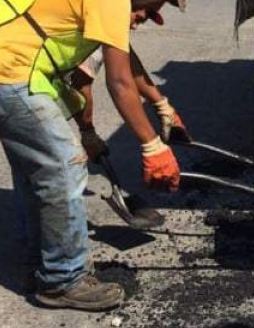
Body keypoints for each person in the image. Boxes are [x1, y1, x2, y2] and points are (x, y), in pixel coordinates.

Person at [0, 0, 190, 312]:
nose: (153, 12)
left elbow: (125, 59)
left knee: (37, 169)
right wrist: (152, 147)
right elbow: (118, 82)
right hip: (5, 71)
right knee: (64, 166)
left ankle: (40, 262)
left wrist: (161, 104)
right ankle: (63, 280)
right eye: (162, 1)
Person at [71, 43, 192, 225]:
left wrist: (162, 106)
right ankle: (63, 245)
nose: (139, 24)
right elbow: (82, 83)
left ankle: (41, 239)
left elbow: (127, 62)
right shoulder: (97, 25)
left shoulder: (112, 26)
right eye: (143, 14)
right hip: (24, 84)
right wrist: (87, 132)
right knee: (66, 170)